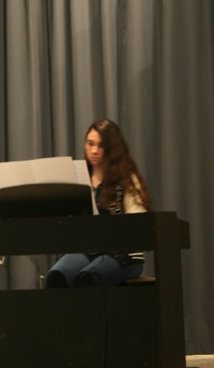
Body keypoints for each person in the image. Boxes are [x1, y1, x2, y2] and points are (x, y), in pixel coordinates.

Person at [44, 118, 152, 288]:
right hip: (87, 250)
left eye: (101, 145)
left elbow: (138, 223)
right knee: (56, 278)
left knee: (88, 279)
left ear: (112, 149)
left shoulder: (126, 179)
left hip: (123, 255)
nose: (94, 150)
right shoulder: (78, 179)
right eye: (90, 144)